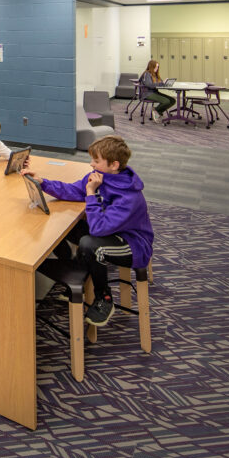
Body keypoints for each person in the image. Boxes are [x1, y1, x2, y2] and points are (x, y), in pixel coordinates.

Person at [23, 134, 153, 327]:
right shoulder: (101, 177)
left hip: (132, 244)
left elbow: (98, 228)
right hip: (109, 232)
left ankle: (104, 297)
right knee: (67, 227)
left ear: (114, 165)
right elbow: (73, 190)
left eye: (96, 160)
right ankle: (78, 276)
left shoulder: (128, 197)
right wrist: (43, 183)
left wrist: (91, 193)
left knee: (90, 245)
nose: (91, 164)